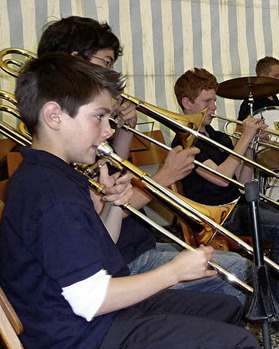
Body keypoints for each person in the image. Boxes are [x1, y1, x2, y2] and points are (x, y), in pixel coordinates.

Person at [2, 53, 261, 349]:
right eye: (99, 117)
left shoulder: (55, 175)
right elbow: (91, 298)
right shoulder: (49, 192)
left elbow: (97, 253)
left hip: (82, 327)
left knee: (222, 308)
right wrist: (174, 271)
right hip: (82, 341)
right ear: (54, 115)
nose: (108, 130)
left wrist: (115, 206)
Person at [37, 16, 252, 306]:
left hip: (133, 243)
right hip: (119, 261)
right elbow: (106, 208)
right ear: (75, 61)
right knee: (232, 271)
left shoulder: (72, 133)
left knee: (229, 269)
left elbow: (110, 179)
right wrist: (163, 177)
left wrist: (124, 132)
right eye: (106, 62)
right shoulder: (57, 139)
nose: (111, 71)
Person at [173, 68, 279, 311]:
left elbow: (243, 181)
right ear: (187, 103)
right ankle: (278, 307)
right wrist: (244, 138)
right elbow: (221, 178)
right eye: (207, 101)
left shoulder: (217, 137)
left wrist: (251, 146)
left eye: (214, 100)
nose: (214, 107)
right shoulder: (185, 141)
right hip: (217, 215)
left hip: (239, 204)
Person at [238, 56, 279, 121]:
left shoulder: (274, 98)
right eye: (276, 76)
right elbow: (240, 128)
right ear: (263, 78)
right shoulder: (252, 100)